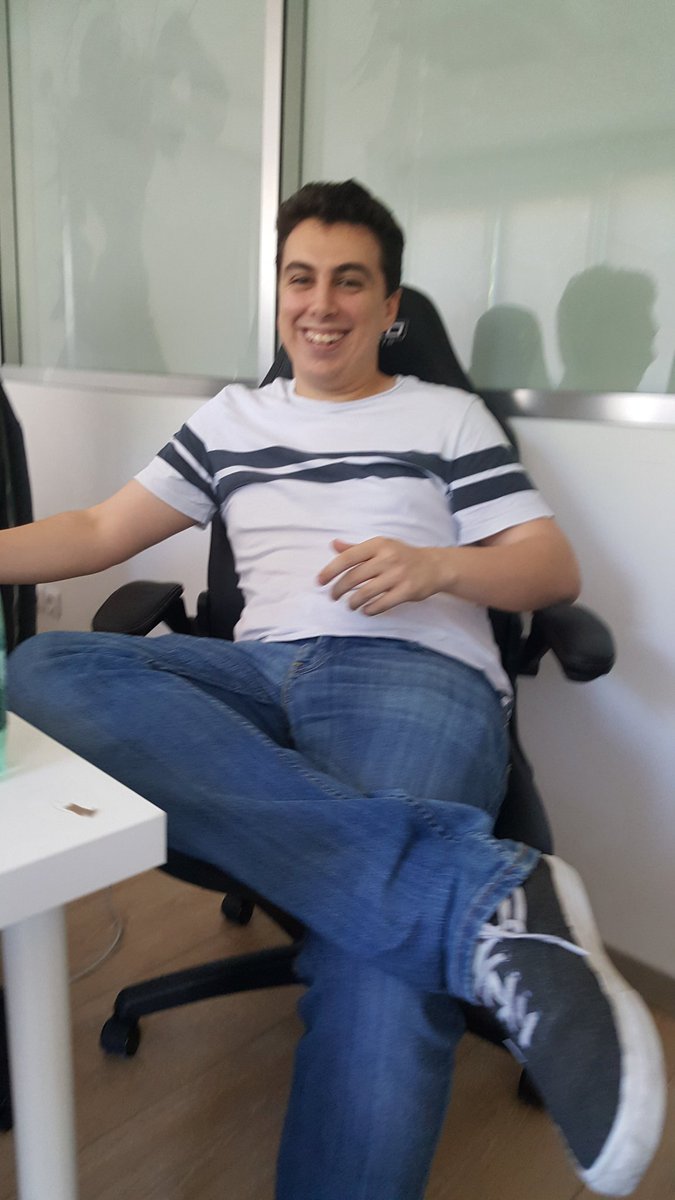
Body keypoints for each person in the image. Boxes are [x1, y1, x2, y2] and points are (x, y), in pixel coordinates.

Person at [4, 180, 665, 1199]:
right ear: (278, 293)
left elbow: (550, 569)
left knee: (373, 964)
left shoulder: (446, 416)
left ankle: (435, 903)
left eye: (349, 282)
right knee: (46, 667)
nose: (321, 303)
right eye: (300, 278)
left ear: (389, 305)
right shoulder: (232, 418)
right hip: (252, 672)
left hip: (409, 676)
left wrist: (439, 567)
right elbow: (97, 531)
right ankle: (472, 900)